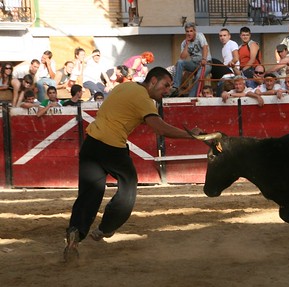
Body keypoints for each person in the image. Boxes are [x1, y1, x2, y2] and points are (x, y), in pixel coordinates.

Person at [63, 67, 201, 262]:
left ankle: (74, 237)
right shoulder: (143, 98)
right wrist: (189, 135)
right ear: (152, 81)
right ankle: (105, 229)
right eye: (166, 85)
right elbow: (159, 128)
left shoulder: (124, 88)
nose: (168, 90)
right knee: (128, 189)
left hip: (91, 144)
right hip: (112, 148)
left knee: (89, 195)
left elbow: (124, 113)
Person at [173, 22, 212, 97]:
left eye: (191, 31)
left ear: (194, 31)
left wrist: (204, 59)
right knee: (180, 62)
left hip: (206, 63)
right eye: (187, 31)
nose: (189, 33)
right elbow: (182, 57)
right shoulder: (184, 43)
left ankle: (191, 96)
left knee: (198, 77)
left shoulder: (200, 36)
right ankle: (176, 87)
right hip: (194, 64)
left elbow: (205, 47)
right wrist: (187, 45)